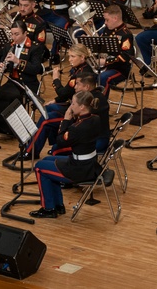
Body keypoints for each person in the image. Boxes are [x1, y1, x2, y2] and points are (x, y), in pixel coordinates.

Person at [29, 91, 103, 219]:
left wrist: (66, 120)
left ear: (82, 107)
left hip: (79, 169)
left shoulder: (77, 128)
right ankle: (58, 205)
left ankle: (49, 208)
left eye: (73, 104)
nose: (70, 106)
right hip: (90, 164)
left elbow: (60, 141)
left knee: (40, 167)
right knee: (47, 159)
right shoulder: (95, 118)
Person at [0, 20, 47, 136]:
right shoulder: (8, 46)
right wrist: (1, 67)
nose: (13, 37)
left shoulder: (35, 48)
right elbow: (3, 62)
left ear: (25, 33)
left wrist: (18, 61)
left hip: (28, 83)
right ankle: (2, 127)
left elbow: (35, 69)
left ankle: (15, 129)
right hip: (13, 81)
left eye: (17, 34)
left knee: (12, 97)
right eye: (12, 34)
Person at [96, 4, 136, 94]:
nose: (105, 23)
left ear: (115, 18)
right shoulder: (107, 29)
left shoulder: (126, 34)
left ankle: (101, 105)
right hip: (106, 66)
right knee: (84, 73)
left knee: (102, 78)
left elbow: (125, 57)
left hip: (120, 69)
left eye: (107, 20)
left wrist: (105, 61)